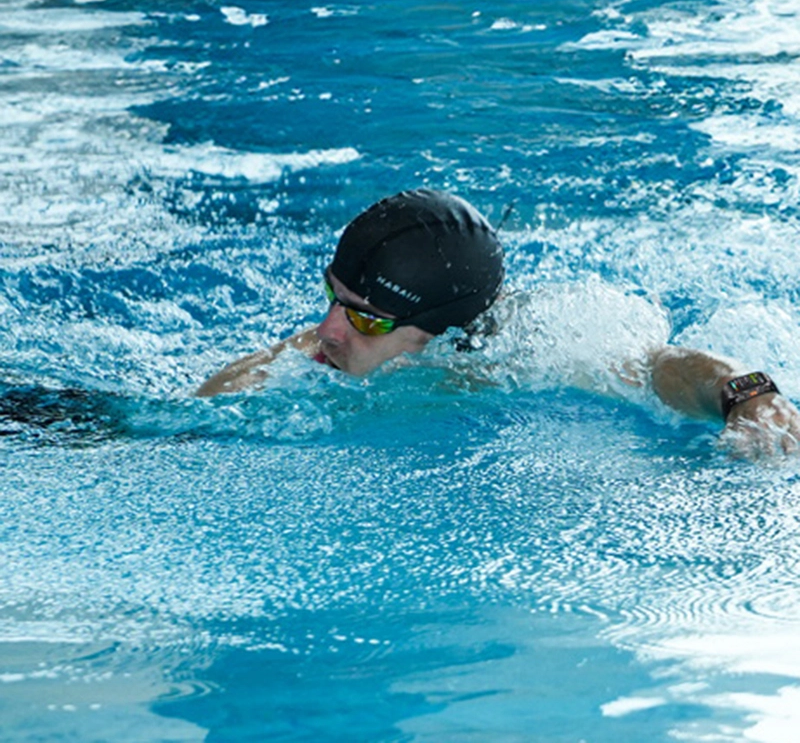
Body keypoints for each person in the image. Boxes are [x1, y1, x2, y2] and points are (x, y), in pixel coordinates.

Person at [197, 188, 800, 458]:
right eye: (333, 297)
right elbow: (208, 409)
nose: (327, 331)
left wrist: (749, 395)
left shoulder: (526, 349)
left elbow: (656, 364)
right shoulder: (327, 346)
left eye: (365, 319)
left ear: (439, 331)